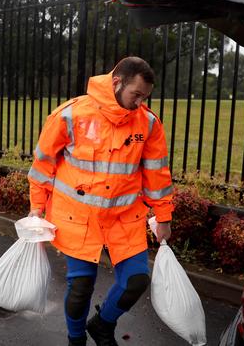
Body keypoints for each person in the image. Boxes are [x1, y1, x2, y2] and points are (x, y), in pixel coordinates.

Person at [27, 56, 174, 346]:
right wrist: (36, 208)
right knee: (80, 286)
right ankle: (76, 339)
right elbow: (42, 164)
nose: (139, 103)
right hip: (78, 217)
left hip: (124, 218)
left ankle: (103, 324)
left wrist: (164, 217)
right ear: (117, 83)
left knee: (136, 280)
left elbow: (157, 173)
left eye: (145, 97)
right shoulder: (71, 114)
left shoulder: (147, 123)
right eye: (136, 95)